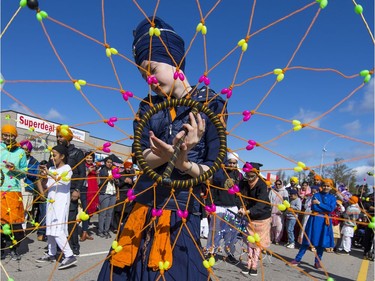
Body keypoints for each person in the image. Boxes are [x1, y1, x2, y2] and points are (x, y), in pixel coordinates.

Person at [98, 16, 227, 281]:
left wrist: (182, 163)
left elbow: (213, 169)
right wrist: (166, 153)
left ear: (175, 61)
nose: (150, 80)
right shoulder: (148, 106)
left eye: (153, 69)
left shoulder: (213, 104)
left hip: (180, 215)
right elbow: (140, 156)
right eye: (144, 75)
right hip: (142, 207)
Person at [35, 145, 77, 269]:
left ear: (62, 156)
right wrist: (42, 177)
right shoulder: (51, 168)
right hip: (51, 201)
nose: (52, 157)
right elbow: (47, 186)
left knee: (57, 228)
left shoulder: (67, 168)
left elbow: (63, 181)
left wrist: (49, 173)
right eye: (51, 155)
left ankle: (69, 255)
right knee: (50, 228)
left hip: (61, 203)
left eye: (55, 155)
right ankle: (51, 253)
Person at [290, 178, 336, 269]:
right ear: (322, 186)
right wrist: (321, 206)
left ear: (331, 187)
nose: (326, 187)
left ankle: (317, 261)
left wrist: (320, 204)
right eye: (324, 185)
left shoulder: (332, 197)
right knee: (307, 240)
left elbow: (331, 209)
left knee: (321, 243)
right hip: (315, 220)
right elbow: (315, 208)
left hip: (325, 222)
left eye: (328, 186)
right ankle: (297, 259)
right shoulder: (316, 195)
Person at [205, 152, 243, 264]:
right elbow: (212, 189)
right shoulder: (218, 173)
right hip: (219, 206)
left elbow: (240, 193)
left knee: (232, 232)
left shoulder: (239, 175)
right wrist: (209, 205)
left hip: (233, 207)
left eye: (234, 163)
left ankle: (230, 253)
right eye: (230, 162)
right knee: (214, 231)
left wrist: (240, 206)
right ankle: (211, 252)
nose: (231, 165)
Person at [55, 125, 86, 256]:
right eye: (57, 136)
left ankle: (74, 246)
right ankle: (60, 247)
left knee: (71, 220)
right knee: (59, 221)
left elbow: (82, 173)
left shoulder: (77, 153)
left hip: (72, 190)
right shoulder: (56, 153)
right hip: (59, 192)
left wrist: (77, 190)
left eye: (60, 136)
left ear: (67, 137)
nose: (58, 138)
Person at [239, 162, 271, 277]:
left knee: (257, 243)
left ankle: (254, 266)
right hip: (250, 216)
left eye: (252, 176)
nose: (249, 179)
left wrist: (248, 211)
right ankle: (248, 263)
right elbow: (239, 196)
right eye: (247, 175)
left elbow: (261, 203)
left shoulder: (262, 185)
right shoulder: (243, 183)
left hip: (262, 216)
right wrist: (242, 206)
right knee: (249, 242)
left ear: (257, 174)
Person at [0, 124, 28, 260]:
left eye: (10, 135)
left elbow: (24, 174)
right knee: (0, 223)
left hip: (14, 191)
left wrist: (15, 169)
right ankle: (1, 249)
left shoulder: (20, 152)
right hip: (0, 190)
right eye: (5, 134)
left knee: (15, 223)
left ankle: (14, 248)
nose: (7, 137)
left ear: (15, 136)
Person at [19, 139, 40, 231]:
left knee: (25, 208)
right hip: (16, 184)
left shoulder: (34, 162)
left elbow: (36, 175)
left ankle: (22, 228)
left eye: (27, 149)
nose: (25, 151)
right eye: (23, 149)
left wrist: (26, 171)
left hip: (27, 186)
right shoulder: (16, 158)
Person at [111, 161, 134, 234]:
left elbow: (134, 186)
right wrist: (124, 181)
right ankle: (116, 227)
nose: (128, 169)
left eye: (130, 168)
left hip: (128, 195)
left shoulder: (132, 175)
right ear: (125, 167)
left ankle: (122, 226)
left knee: (126, 211)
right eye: (127, 167)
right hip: (120, 194)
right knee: (118, 211)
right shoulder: (120, 174)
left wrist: (131, 183)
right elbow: (118, 185)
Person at [80, 151, 98, 242]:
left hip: (92, 191)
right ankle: (83, 232)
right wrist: (88, 171)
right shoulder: (82, 166)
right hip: (84, 190)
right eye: (87, 157)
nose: (89, 159)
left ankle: (85, 231)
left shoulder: (94, 167)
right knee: (85, 211)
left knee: (89, 212)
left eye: (90, 158)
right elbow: (81, 177)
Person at [97, 157, 117, 238]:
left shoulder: (114, 171)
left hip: (113, 193)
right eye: (108, 162)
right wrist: (108, 178)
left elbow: (118, 183)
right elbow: (99, 182)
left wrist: (116, 180)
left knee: (109, 214)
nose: (109, 164)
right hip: (104, 193)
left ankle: (106, 230)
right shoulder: (102, 170)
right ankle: (100, 230)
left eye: (111, 162)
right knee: (103, 213)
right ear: (105, 163)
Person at [297, 185, 320, 249]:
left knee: (313, 229)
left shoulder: (319, 198)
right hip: (307, 214)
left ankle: (312, 244)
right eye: (312, 192)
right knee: (304, 227)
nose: (313, 193)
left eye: (314, 192)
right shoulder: (309, 197)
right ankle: (302, 243)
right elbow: (306, 206)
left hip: (314, 215)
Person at [269, 179, 288, 245]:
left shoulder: (284, 192)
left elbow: (286, 202)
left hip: (279, 212)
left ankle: (277, 239)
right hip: (272, 211)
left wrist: (282, 211)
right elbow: (269, 200)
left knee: (279, 227)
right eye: (276, 184)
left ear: (282, 184)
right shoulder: (272, 191)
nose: (278, 185)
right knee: (271, 227)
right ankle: (271, 238)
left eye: (279, 184)